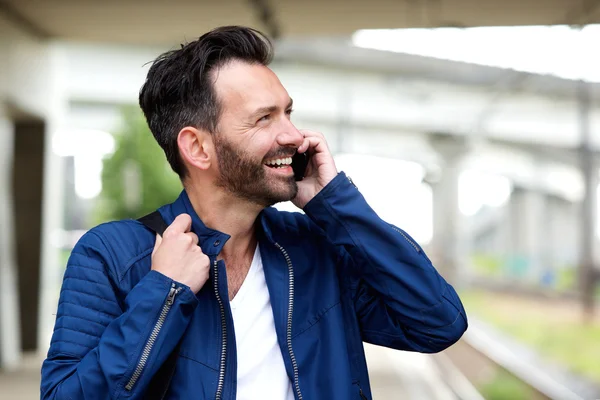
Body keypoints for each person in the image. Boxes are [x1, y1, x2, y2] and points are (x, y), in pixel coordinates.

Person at [41, 26, 468, 400]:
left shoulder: (316, 247)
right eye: (264, 119)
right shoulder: (114, 256)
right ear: (198, 148)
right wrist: (165, 293)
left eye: (288, 112)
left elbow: (437, 324)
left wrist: (336, 205)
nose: (294, 135)